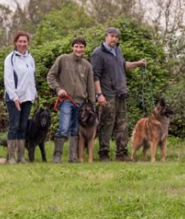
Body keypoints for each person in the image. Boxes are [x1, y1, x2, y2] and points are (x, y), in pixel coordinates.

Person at [90, 27, 148, 162]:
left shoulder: (118, 50)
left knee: (122, 125)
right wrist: (99, 95)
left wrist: (138, 64)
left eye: (116, 37)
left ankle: (121, 153)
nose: (114, 39)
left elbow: (123, 65)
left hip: (120, 92)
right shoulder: (98, 53)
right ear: (106, 36)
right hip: (107, 94)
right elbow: (95, 76)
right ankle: (104, 153)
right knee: (106, 125)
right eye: (112, 36)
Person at [47, 37, 96, 163]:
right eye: (76, 46)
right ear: (72, 47)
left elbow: (90, 87)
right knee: (63, 127)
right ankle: (57, 156)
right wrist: (58, 89)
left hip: (81, 103)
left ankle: (72, 157)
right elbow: (51, 76)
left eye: (81, 47)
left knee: (75, 130)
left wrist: (92, 105)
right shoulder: (63, 59)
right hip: (66, 100)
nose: (79, 49)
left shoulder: (88, 66)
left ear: (84, 48)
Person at [4, 31, 37, 164]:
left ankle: (21, 156)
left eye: (25, 41)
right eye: (20, 41)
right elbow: (8, 79)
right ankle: (11, 156)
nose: (22, 44)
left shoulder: (30, 58)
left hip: (28, 97)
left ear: (28, 43)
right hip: (14, 98)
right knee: (14, 125)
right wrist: (14, 97)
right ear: (15, 43)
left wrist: (34, 91)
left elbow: (31, 77)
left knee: (23, 126)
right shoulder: (10, 58)